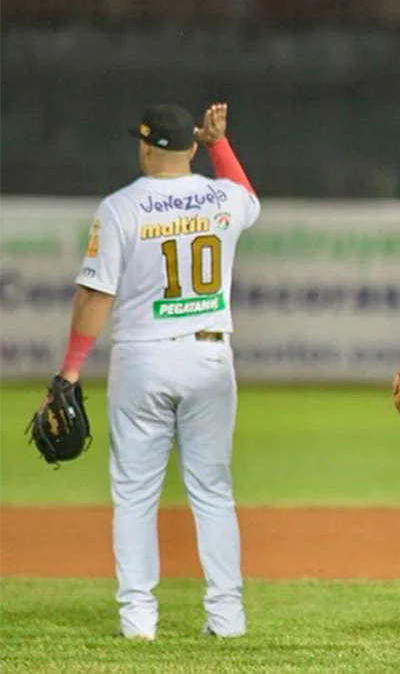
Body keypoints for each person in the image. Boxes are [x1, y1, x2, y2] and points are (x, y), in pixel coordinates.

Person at [47, 103, 258, 639]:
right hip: (210, 355)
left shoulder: (121, 207)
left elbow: (95, 295)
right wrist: (219, 145)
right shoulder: (226, 198)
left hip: (143, 356)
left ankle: (138, 618)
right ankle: (227, 617)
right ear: (189, 147)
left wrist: (69, 372)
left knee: (135, 493)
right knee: (212, 489)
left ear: (145, 147)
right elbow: (249, 197)